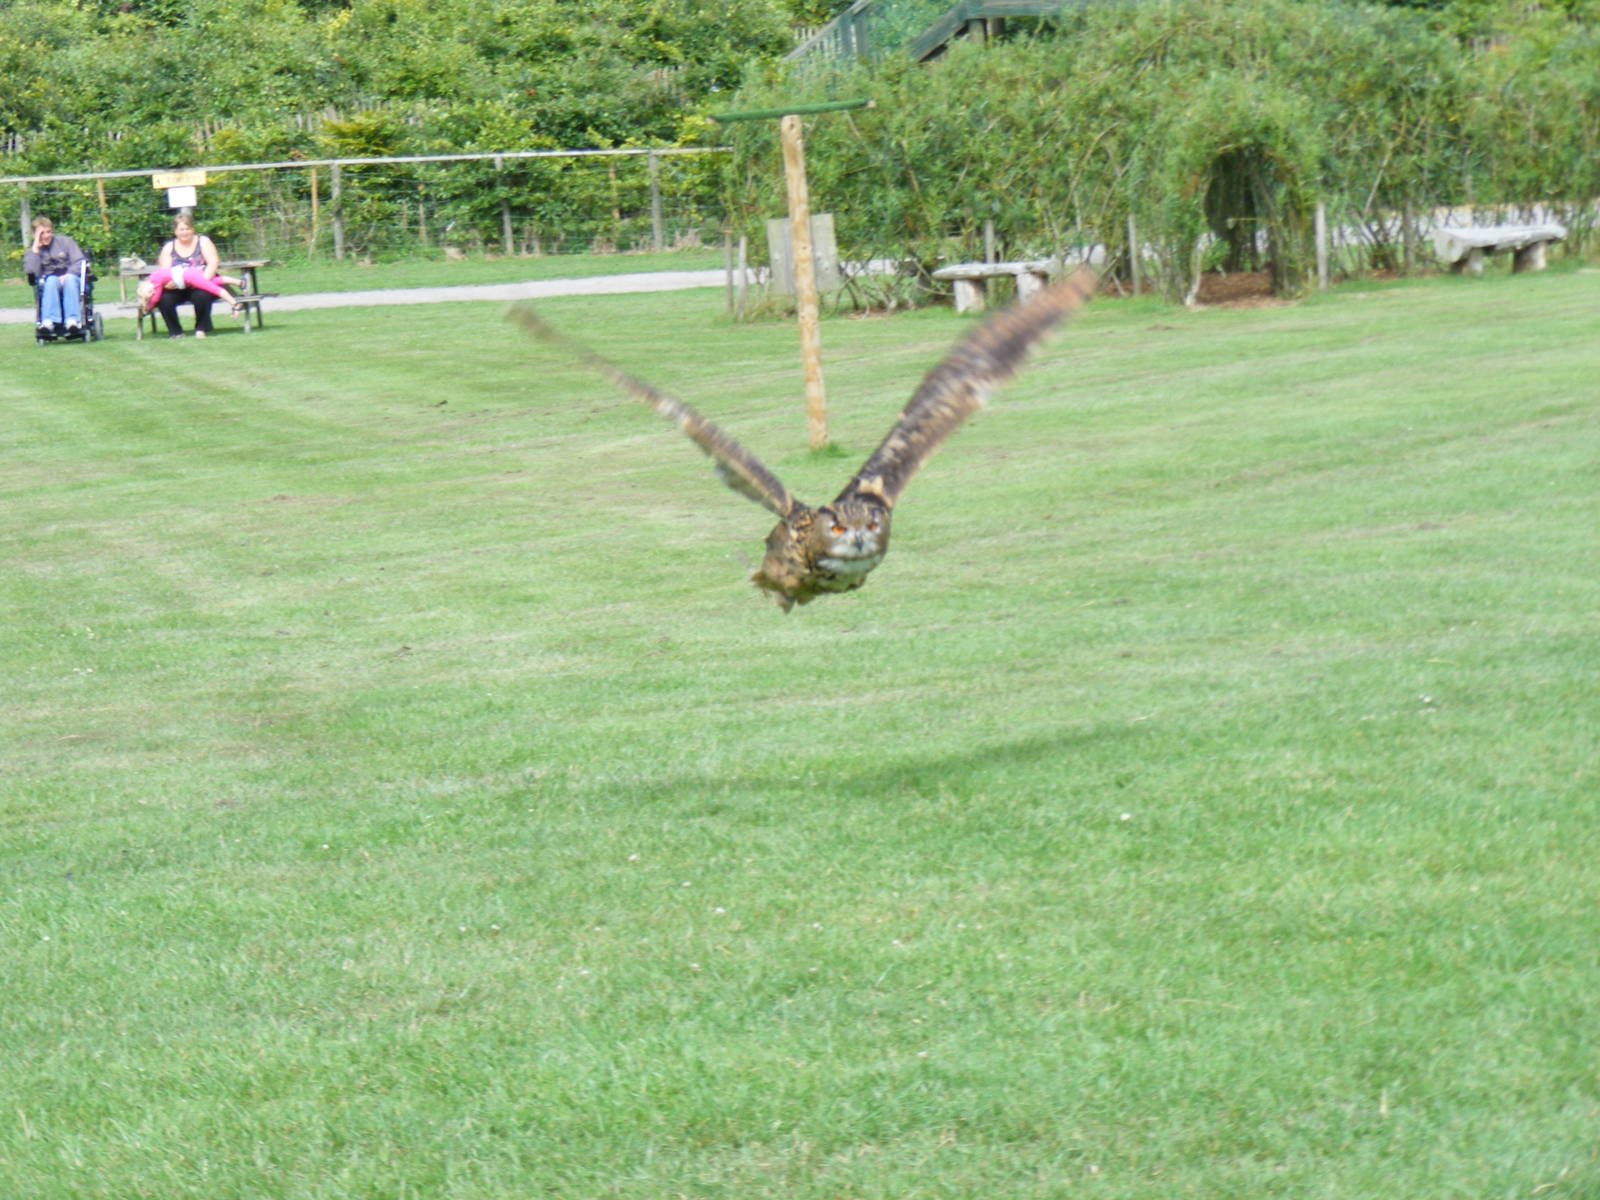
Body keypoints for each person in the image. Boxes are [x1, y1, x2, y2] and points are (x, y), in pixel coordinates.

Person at [154, 213, 223, 339]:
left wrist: (202, 281)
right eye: (181, 229)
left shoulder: (203, 242)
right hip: (178, 285)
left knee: (202, 295)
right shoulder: (169, 247)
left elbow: (213, 263)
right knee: (164, 299)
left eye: (187, 229)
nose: (184, 232)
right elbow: (164, 272)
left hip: (200, 283)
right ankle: (176, 331)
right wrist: (171, 283)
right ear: (175, 231)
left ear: (193, 229)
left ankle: (201, 328)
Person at [23, 216, 87, 339]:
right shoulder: (32, 252)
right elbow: (32, 272)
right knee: (51, 280)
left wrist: (69, 274)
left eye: (48, 232)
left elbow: (80, 262)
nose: (46, 236)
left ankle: (72, 321)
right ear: (34, 234)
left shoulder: (66, 242)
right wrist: (35, 249)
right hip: (49, 281)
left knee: (70, 280)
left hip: (71, 278)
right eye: (42, 233)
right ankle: (48, 322)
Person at [137, 265, 244, 318]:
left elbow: (156, 298)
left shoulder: (155, 281)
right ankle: (239, 282)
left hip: (190, 277)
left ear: (144, 286)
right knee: (213, 282)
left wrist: (148, 307)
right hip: (190, 274)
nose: (152, 292)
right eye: (150, 294)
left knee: (213, 289)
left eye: (149, 291)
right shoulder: (152, 277)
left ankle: (235, 304)